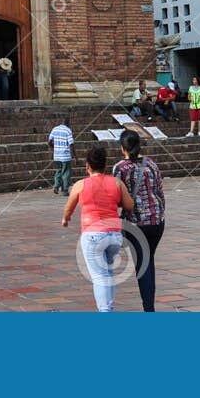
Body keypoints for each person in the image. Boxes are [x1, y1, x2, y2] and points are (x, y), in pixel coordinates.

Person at [60, 146, 136, 313]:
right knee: (108, 274)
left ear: (87, 166)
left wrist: (66, 219)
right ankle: (108, 307)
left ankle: (104, 311)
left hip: (93, 235)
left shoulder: (80, 185)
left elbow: (68, 208)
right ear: (105, 165)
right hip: (114, 235)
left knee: (99, 276)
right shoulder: (116, 182)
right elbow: (129, 205)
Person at [114, 130, 166, 312]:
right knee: (148, 259)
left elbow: (117, 197)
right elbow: (160, 191)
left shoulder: (120, 168)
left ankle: (149, 308)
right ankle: (149, 305)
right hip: (157, 220)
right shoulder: (151, 164)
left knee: (143, 265)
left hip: (137, 223)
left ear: (122, 148)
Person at [48, 115, 75, 194]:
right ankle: (65, 190)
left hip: (57, 156)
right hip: (65, 156)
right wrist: (75, 156)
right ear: (68, 122)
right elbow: (71, 145)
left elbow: (49, 141)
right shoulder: (68, 130)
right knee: (66, 172)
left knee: (59, 171)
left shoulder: (55, 129)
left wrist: (54, 148)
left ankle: (56, 186)